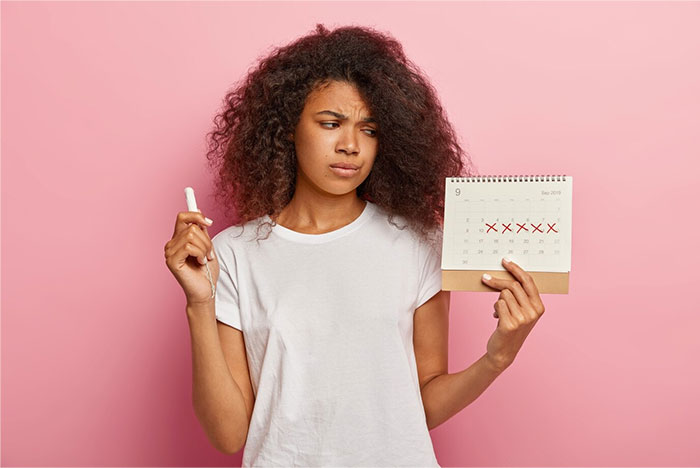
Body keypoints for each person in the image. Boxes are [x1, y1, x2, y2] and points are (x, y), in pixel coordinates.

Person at [165, 24, 546, 467]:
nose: (350, 146)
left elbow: (422, 404)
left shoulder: (419, 244)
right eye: (331, 124)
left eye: (369, 130)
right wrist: (198, 303)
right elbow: (228, 434)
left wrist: (497, 357)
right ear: (288, 127)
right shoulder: (232, 254)